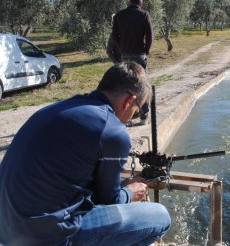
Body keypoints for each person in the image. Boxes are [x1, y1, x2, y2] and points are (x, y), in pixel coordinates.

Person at [0, 62, 171, 245]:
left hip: (6, 231)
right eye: (137, 111)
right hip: (48, 239)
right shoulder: (112, 130)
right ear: (129, 101)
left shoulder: (58, 108)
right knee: (160, 217)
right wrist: (129, 191)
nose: (132, 117)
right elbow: (108, 200)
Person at [112, 0, 153, 125]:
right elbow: (150, 36)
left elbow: (114, 36)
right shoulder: (144, 14)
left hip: (125, 54)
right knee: (143, 84)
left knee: (127, 84)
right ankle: (143, 116)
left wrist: (122, 47)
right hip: (140, 54)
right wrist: (146, 50)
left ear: (130, 2)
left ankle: (127, 118)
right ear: (141, 3)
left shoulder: (119, 15)